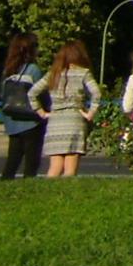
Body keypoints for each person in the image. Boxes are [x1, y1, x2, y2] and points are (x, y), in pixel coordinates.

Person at [31, 40, 102, 178]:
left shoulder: (53, 74)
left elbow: (32, 92)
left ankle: (48, 194)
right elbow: (96, 93)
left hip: (55, 122)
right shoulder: (83, 73)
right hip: (74, 120)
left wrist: (41, 112)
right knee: (70, 168)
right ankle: (66, 195)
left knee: (55, 167)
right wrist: (90, 113)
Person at [0, 33, 46, 180]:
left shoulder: (8, 70)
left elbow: (2, 95)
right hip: (31, 121)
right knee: (31, 162)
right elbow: (41, 93)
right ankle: (28, 189)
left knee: (12, 160)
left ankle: (4, 186)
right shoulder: (33, 70)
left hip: (12, 120)